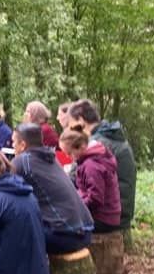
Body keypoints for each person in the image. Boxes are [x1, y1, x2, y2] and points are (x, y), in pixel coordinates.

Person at [11, 123, 93, 254]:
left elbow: (1, 192)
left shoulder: (22, 161)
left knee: (10, 232)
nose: (12, 145)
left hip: (67, 237)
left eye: (13, 141)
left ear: (23, 145)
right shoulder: (51, 157)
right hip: (86, 231)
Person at [67, 99, 137, 233]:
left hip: (107, 218)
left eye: (71, 126)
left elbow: (71, 181)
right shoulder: (110, 136)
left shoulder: (94, 145)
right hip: (120, 213)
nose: (70, 131)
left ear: (81, 121)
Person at [59, 129, 122, 233]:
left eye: (69, 153)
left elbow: (95, 199)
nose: (68, 157)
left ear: (82, 147)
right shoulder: (88, 160)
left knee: (62, 225)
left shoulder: (91, 166)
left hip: (103, 218)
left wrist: (75, 205)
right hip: (104, 215)